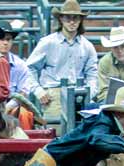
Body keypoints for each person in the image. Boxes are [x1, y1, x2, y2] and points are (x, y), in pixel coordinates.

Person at [26, 0, 97, 131]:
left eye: (76, 18)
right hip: (53, 95)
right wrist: (38, 91)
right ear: (61, 19)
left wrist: (89, 94)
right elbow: (29, 68)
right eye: (68, 17)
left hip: (79, 94)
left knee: (79, 138)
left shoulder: (87, 47)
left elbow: (92, 74)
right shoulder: (48, 43)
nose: (72, 21)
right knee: (54, 135)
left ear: (80, 20)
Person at [0, 20, 35, 129]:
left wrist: (9, 106)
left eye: (8, 39)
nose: (5, 43)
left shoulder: (20, 65)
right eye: (1, 39)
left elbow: (24, 92)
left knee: (24, 115)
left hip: (12, 106)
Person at [96, 26, 124, 103]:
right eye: (115, 47)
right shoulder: (105, 62)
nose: (119, 50)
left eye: (123, 46)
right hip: (113, 104)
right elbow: (103, 93)